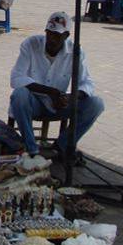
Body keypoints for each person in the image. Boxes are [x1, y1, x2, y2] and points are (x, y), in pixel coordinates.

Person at [8, 11, 105, 160]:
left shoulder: (75, 52)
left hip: (59, 105)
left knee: (96, 104)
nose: (52, 39)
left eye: (57, 36)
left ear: (66, 36)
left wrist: (70, 97)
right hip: (33, 103)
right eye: (50, 33)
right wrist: (51, 92)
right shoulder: (31, 44)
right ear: (45, 31)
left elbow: (87, 83)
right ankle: (32, 150)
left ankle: (61, 146)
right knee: (19, 95)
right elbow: (16, 78)